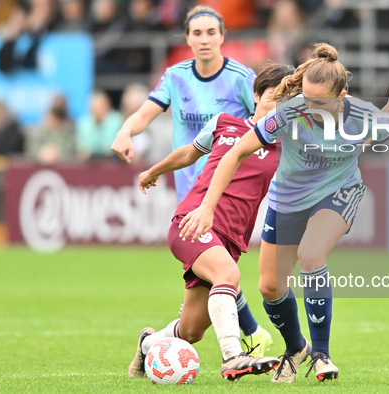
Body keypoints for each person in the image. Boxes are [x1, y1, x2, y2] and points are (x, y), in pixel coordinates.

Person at [178, 43, 389, 383]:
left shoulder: (361, 116)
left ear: (342, 97)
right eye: (306, 99)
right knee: (269, 287)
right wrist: (207, 206)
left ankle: (322, 354)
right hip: (288, 201)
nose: (308, 107)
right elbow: (236, 153)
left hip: (338, 194)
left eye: (319, 102)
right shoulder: (289, 112)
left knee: (311, 256)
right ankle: (296, 349)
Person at [111, 5, 271, 354]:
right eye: (196, 33)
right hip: (192, 196)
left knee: (203, 305)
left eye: (211, 33)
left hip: (228, 195)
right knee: (222, 272)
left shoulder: (243, 79)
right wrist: (125, 131)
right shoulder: (176, 76)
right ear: (186, 38)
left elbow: (262, 123)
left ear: (223, 37)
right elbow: (146, 113)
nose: (204, 40)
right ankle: (244, 344)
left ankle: (157, 343)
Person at [128, 63, 296, 381]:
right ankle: (233, 357)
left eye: (289, 101)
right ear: (257, 96)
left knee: (191, 331)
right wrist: (154, 171)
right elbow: (189, 154)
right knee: (229, 274)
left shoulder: (286, 146)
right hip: (193, 222)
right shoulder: (225, 123)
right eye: (275, 96)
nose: (280, 107)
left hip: (229, 239)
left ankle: (147, 343)